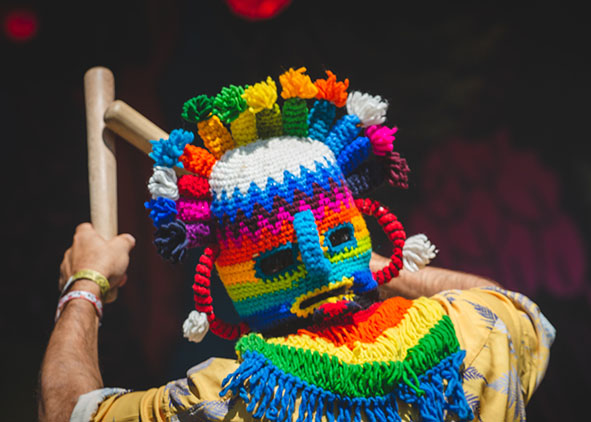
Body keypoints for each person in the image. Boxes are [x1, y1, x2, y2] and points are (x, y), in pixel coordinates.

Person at [38, 68, 555, 422]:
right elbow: (509, 304)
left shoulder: (232, 399)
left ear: (230, 275)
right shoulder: (478, 335)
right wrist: (359, 262)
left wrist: (85, 284)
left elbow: (69, 413)